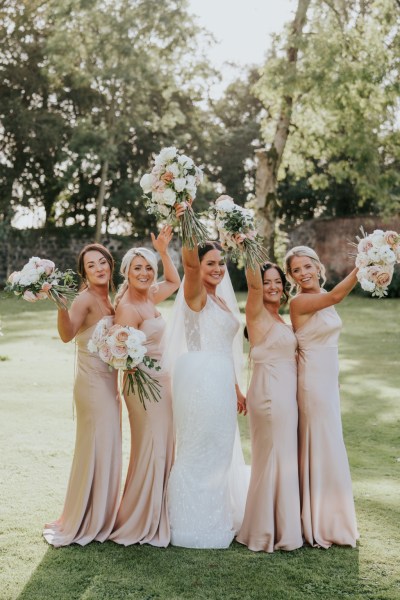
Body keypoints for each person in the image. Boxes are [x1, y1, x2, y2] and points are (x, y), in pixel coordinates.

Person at [166, 222, 249, 549]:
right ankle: (189, 521)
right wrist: (184, 213)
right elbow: (187, 263)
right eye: (209, 263)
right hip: (199, 376)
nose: (216, 268)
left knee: (219, 446)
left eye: (220, 263)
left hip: (220, 376)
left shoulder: (223, 300)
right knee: (197, 447)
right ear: (197, 267)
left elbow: (226, 348)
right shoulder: (195, 293)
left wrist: (236, 389)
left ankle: (215, 514)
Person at [43, 243, 121, 547]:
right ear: (84, 272)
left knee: (106, 446)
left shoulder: (109, 297)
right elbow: (67, 335)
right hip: (91, 385)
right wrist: (62, 305)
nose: (99, 268)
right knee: (96, 447)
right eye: (92, 265)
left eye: (103, 262)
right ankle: (86, 518)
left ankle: (100, 513)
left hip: (109, 384)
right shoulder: (86, 299)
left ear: (110, 265)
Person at [109, 225, 180, 547]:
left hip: (161, 380)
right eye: (137, 268)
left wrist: (163, 252)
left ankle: (159, 508)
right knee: (150, 445)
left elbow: (176, 282)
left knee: (163, 443)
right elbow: (122, 352)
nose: (145, 273)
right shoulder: (127, 307)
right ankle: (141, 517)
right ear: (126, 272)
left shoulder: (151, 296)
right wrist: (135, 364)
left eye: (149, 268)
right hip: (141, 384)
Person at [284, 245, 359, 549]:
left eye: (306, 267)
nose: (303, 274)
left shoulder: (321, 297)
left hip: (327, 381)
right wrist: (364, 264)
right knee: (321, 442)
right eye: (296, 270)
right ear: (291, 276)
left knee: (330, 443)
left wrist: (335, 379)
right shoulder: (300, 301)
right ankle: (317, 520)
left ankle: (331, 515)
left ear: (317, 266)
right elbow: (337, 297)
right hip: (312, 382)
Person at [236, 263, 303, 553]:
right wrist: (246, 242)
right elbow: (252, 286)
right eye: (267, 282)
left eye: (277, 281)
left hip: (285, 394)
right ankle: (265, 531)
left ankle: (277, 524)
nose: (273, 286)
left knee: (282, 457)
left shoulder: (280, 316)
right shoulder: (257, 313)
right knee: (274, 457)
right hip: (270, 394)